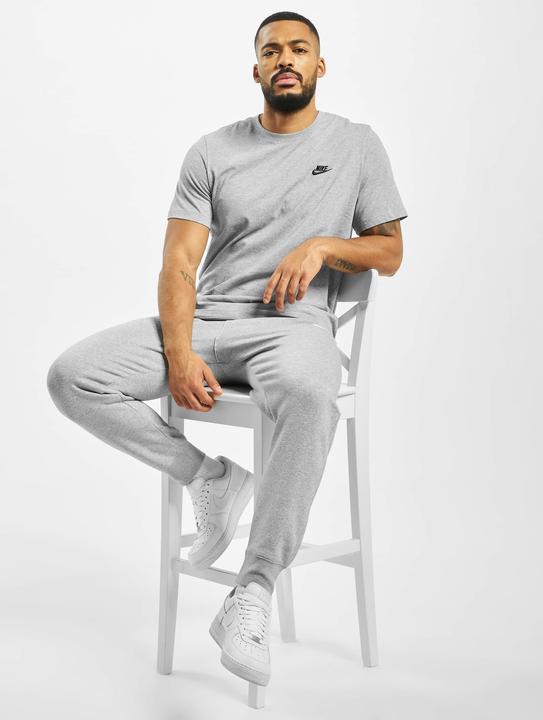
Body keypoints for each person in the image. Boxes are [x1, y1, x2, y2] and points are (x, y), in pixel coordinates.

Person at [46, 11, 408, 688]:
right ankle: (209, 477)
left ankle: (254, 590)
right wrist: (181, 353)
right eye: (271, 51)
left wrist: (322, 245)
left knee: (311, 393)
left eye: (298, 49)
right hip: (207, 322)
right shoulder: (212, 150)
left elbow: (389, 251)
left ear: (319, 65)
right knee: (74, 376)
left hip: (293, 328)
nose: (284, 59)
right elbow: (178, 265)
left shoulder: (356, 144)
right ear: (256, 68)